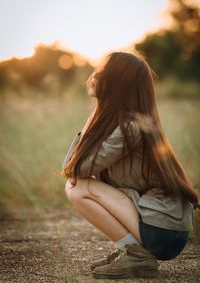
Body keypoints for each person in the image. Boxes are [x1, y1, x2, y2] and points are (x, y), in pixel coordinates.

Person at [60, 51, 200, 279]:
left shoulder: (128, 128)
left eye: (104, 72)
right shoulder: (127, 123)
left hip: (162, 231)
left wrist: (88, 125)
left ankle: (136, 254)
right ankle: (129, 250)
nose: (94, 75)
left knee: (77, 187)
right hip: (163, 228)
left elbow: (73, 169)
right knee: (78, 184)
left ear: (118, 84)